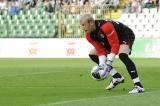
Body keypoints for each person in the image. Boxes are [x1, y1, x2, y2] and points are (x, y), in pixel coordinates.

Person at [80, 13, 145, 94]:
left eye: (83, 25)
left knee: (122, 55)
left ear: (91, 23)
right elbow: (100, 51)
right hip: (110, 39)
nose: (82, 27)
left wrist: (108, 63)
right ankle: (117, 77)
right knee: (92, 54)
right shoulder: (88, 35)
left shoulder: (105, 26)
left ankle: (138, 86)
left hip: (125, 35)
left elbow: (115, 45)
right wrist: (102, 65)